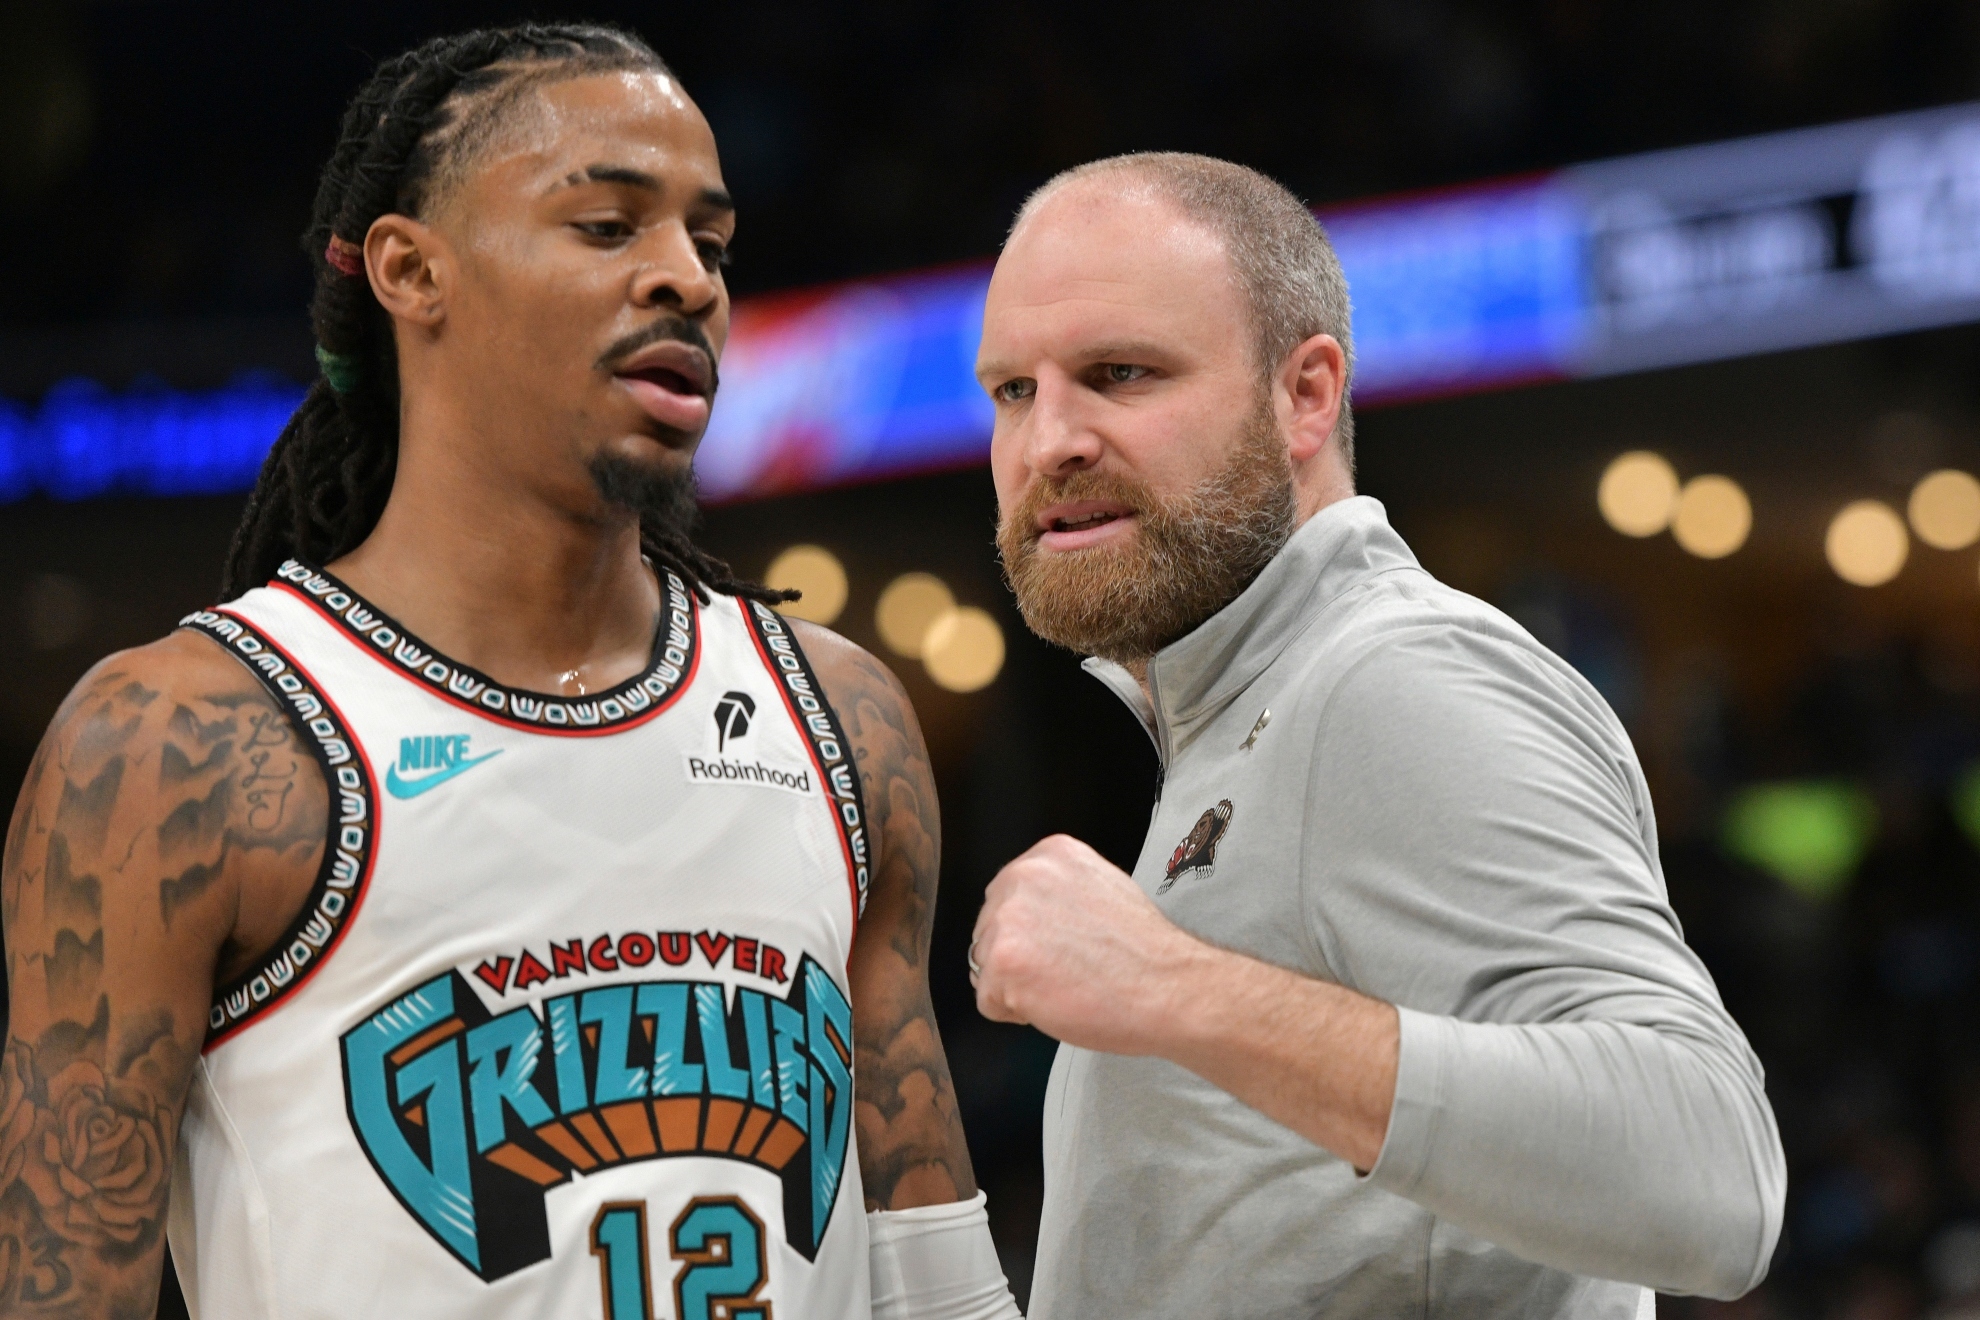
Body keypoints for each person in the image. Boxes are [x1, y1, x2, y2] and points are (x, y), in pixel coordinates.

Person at [0, 25, 1019, 1320]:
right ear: (411, 271)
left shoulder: (840, 716)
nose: (688, 281)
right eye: (608, 226)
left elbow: (937, 1288)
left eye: (709, 243)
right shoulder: (178, 745)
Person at [968, 151, 1786, 1317]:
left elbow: (1711, 1171)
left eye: (1121, 373)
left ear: (1305, 396)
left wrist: (1176, 987)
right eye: (1012, 390)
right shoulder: (1246, 711)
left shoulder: (1390, 675)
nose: (1049, 441)